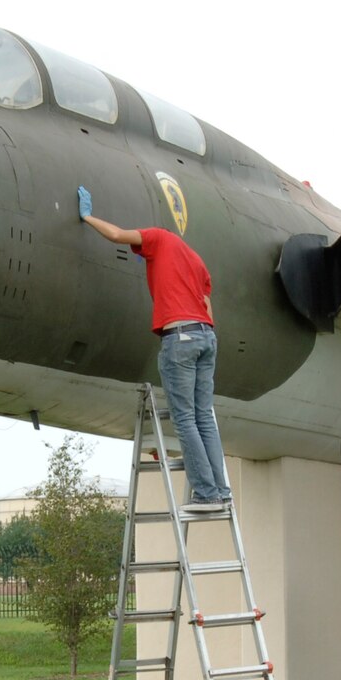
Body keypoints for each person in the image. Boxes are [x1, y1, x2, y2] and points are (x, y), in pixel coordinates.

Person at [78, 186, 230, 515]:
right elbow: (208, 307)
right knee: (204, 417)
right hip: (206, 337)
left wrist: (88, 217)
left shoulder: (158, 238)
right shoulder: (196, 260)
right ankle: (222, 491)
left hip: (180, 338)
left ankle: (207, 495)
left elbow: (117, 235)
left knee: (185, 419)